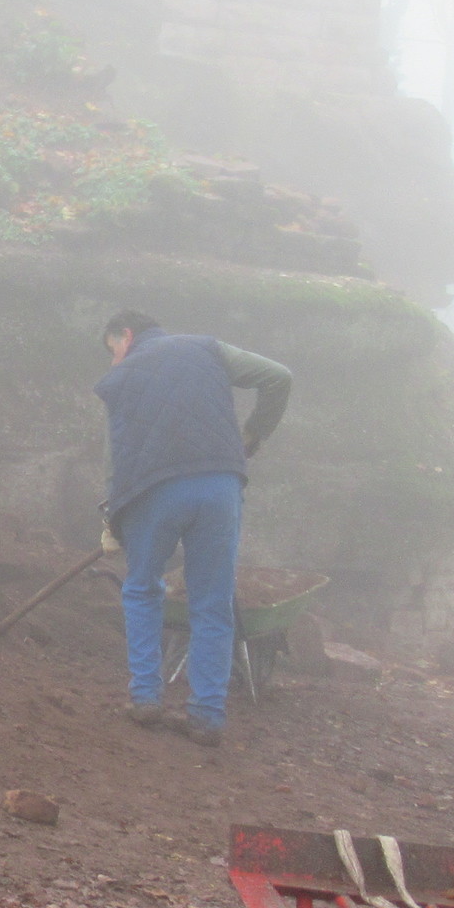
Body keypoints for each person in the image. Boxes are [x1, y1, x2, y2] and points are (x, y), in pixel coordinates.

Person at [95, 309, 294, 746]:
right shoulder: (207, 349)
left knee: (142, 589)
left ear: (126, 335)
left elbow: (116, 455)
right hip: (219, 485)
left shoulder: (120, 378)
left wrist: (112, 517)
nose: (114, 360)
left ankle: (146, 699)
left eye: (113, 349)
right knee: (212, 602)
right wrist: (253, 435)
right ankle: (207, 716)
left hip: (153, 489)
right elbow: (279, 377)